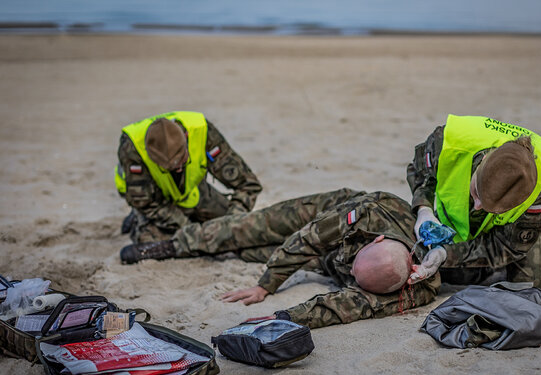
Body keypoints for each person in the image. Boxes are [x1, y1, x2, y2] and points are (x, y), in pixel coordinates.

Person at [119, 189, 440, 329]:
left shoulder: (417, 289)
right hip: (328, 214)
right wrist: (265, 286)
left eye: (358, 279)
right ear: (378, 240)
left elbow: (344, 307)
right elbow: (308, 239)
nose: (353, 276)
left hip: (328, 262)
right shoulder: (368, 212)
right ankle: (174, 245)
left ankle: (207, 246)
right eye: (356, 266)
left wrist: (284, 318)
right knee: (255, 227)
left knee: (248, 253)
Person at [406, 114, 541, 289]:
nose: (478, 206)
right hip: (451, 228)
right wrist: (423, 208)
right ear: (484, 160)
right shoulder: (448, 141)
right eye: (476, 193)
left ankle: (495, 269)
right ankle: (483, 271)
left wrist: (446, 254)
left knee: (530, 290)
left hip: (504, 235)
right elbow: (420, 172)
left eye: (495, 209)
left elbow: (508, 246)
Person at [114, 111, 262, 243]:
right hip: (154, 199)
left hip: (192, 191)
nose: (178, 169)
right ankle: (135, 219)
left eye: (182, 161)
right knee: (156, 241)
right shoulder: (132, 147)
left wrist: (230, 225)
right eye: (169, 167)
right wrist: (190, 229)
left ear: (186, 138)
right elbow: (145, 202)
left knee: (233, 228)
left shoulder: (202, 131)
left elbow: (248, 185)